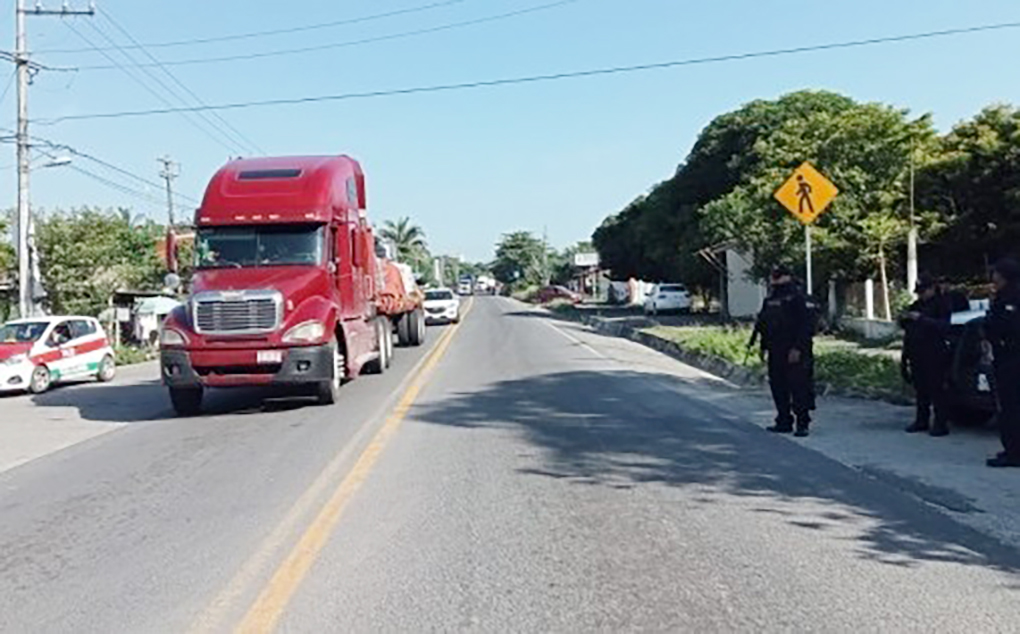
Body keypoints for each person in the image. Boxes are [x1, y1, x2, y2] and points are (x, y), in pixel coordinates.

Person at [751, 265, 815, 437]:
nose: (774, 279)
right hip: (775, 349)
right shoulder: (771, 298)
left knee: (799, 387)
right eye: (773, 275)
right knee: (778, 386)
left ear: (787, 277)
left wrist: (797, 348)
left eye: (777, 275)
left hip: (795, 351)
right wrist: (763, 347)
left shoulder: (797, 297)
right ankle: (783, 421)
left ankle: (802, 423)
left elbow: (806, 326)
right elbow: (764, 325)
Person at [899, 274, 952, 436]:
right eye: (919, 292)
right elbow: (907, 328)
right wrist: (904, 318)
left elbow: (943, 326)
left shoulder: (941, 304)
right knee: (920, 389)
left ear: (932, 289)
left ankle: (940, 423)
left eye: (923, 291)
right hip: (916, 351)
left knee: (936, 389)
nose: (921, 295)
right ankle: (921, 420)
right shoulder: (916, 305)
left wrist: (922, 319)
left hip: (934, 352)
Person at [984, 257, 1020, 468]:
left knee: (1011, 408)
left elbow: (1005, 327)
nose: (993, 277)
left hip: (1012, 358)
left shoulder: (1012, 299)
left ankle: (1014, 453)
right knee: (1007, 407)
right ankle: (1011, 448)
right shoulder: (1002, 297)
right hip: (1004, 357)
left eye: (996, 273)